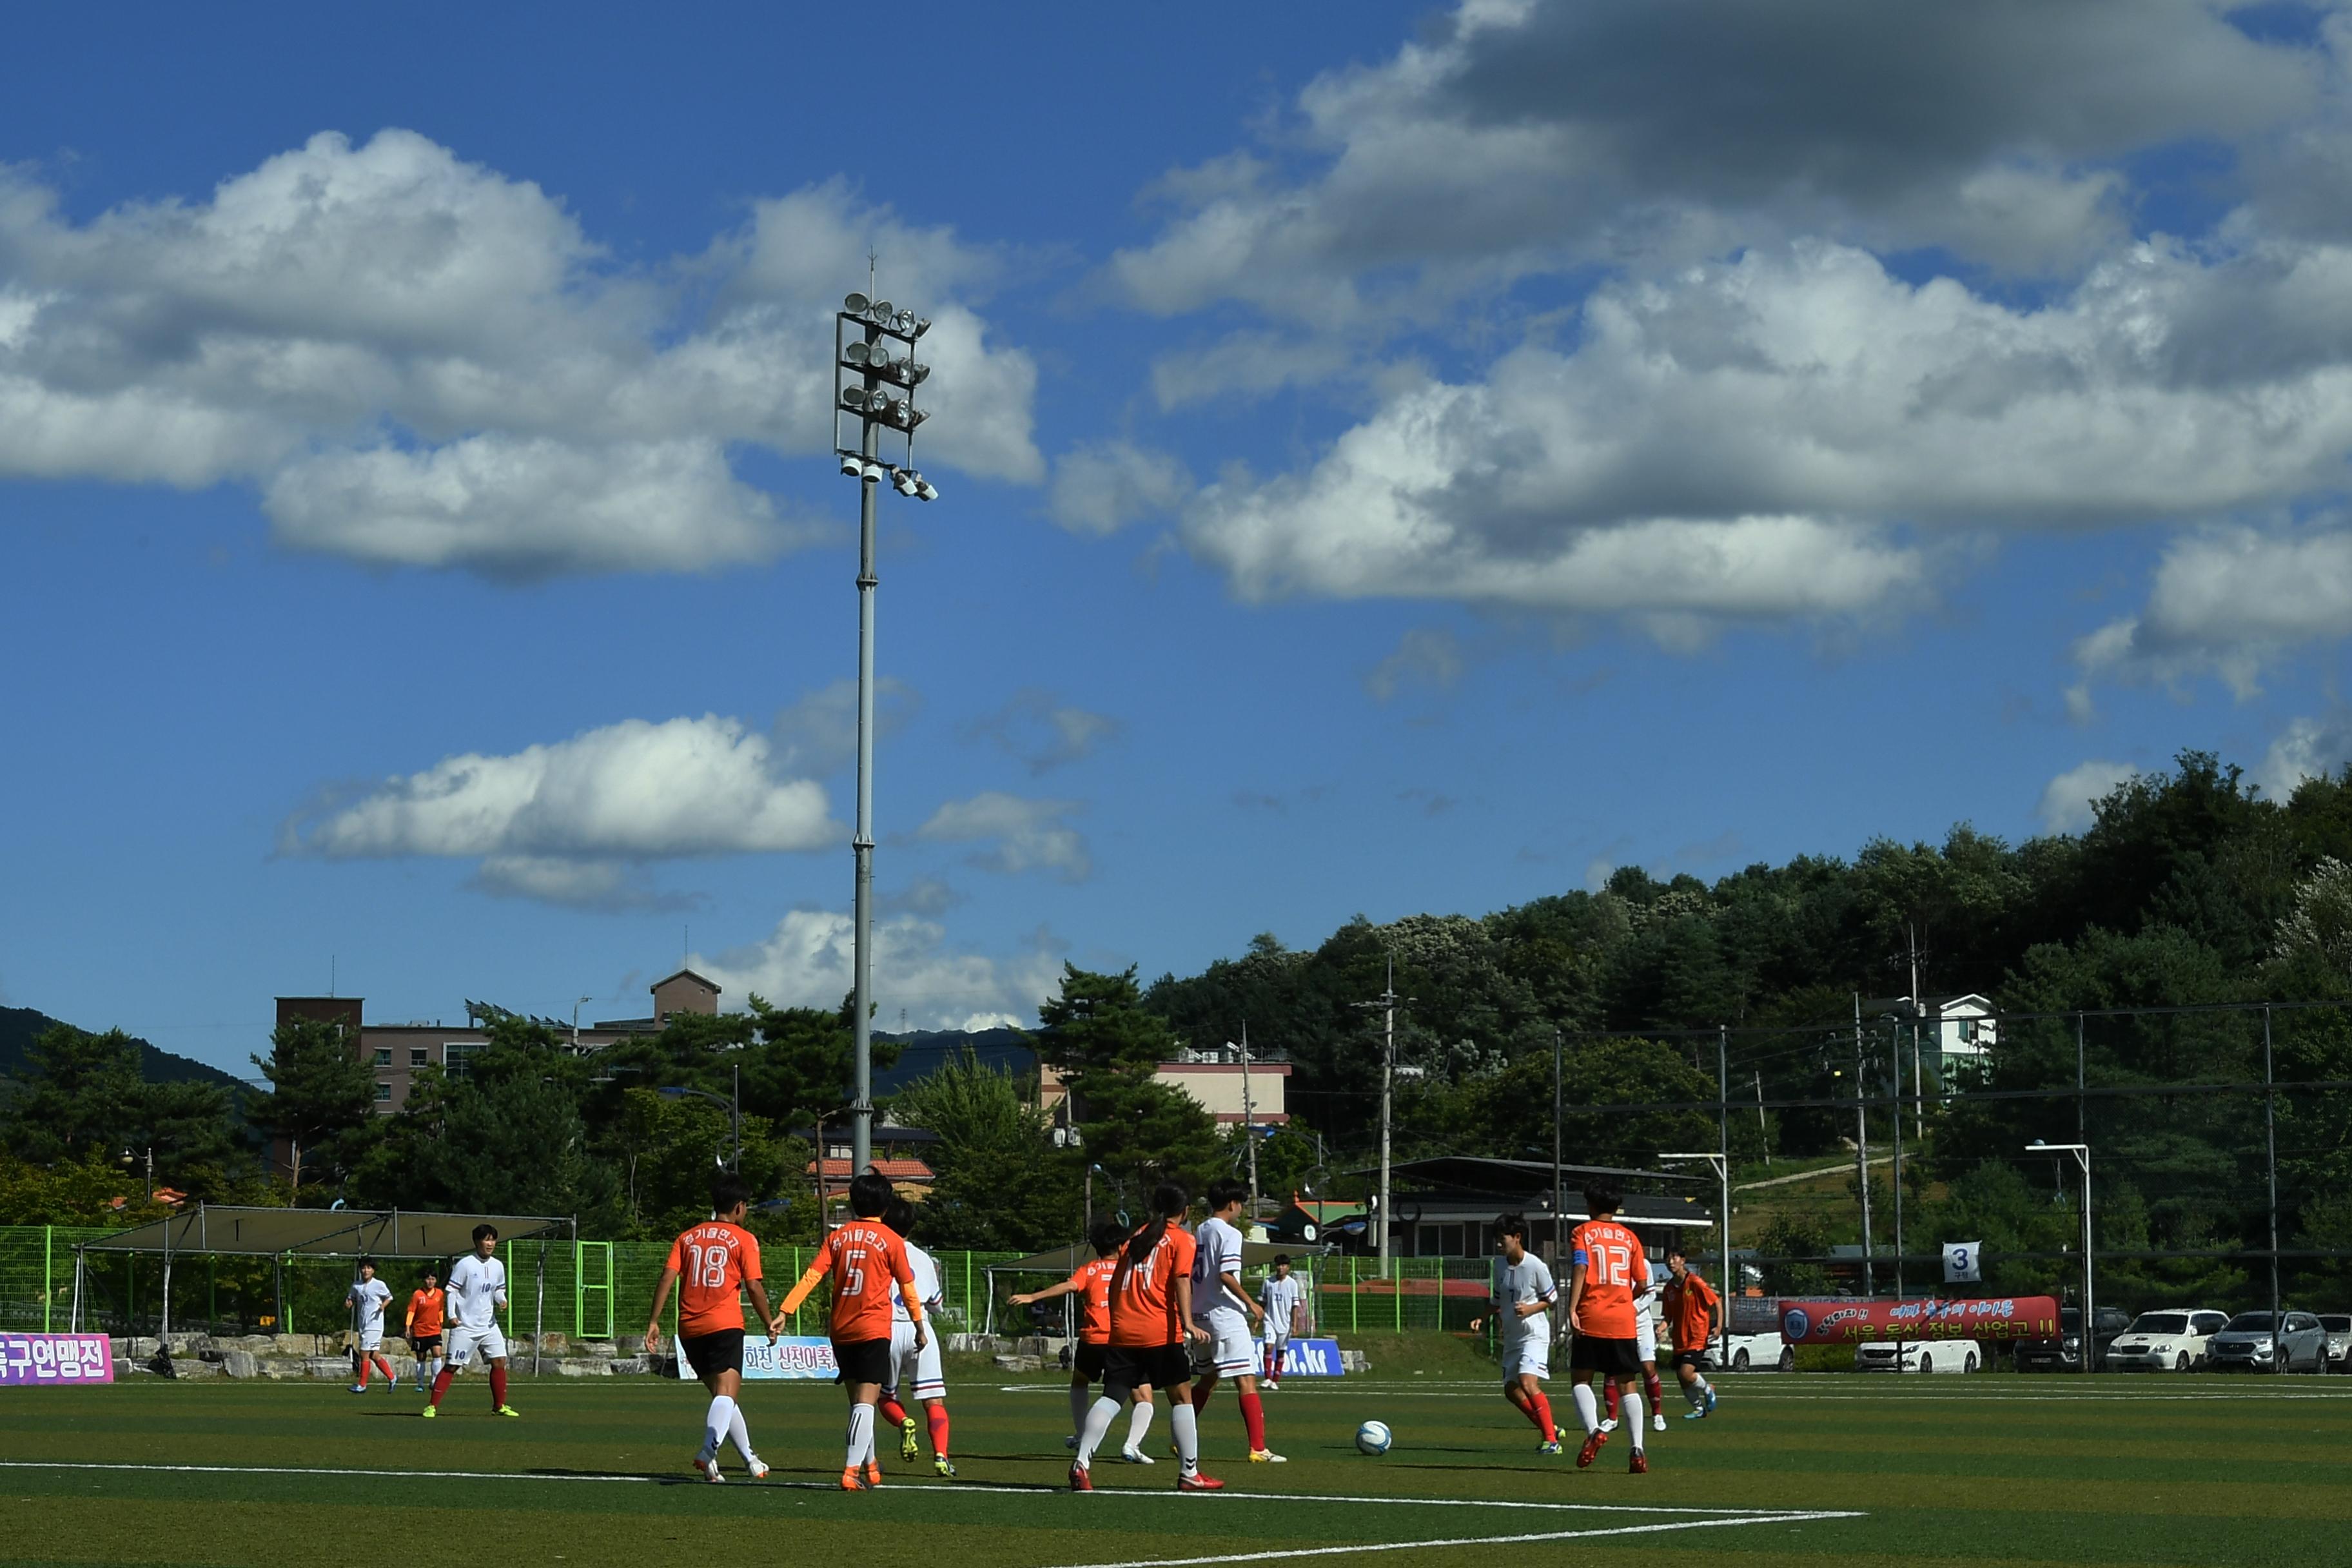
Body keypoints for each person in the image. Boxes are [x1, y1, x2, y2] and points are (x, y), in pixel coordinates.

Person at [774, 1171, 925, 1491]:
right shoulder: (892, 1241)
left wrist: (785, 1310)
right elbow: (908, 1289)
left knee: (860, 1402)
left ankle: (870, 1466)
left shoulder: (837, 1237)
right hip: (873, 1329)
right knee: (866, 1403)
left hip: (841, 1331)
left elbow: (811, 1277)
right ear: (885, 1207)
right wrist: (919, 1325)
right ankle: (850, 1470)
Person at [1070, 1182, 1220, 1493]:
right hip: (1159, 1332)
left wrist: (1118, 1318)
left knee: (1112, 1396)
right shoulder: (1181, 1239)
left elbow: (1114, 1285)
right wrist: (1188, 1323)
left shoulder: (1136, 1237)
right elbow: (1181, 1281)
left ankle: (1081, 1463)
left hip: (1123, 1331)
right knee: (1182, 1398)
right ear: (1186, 1210)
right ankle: (1189, 1473)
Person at [643, 1171, 780, 1483]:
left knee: (723, 1398)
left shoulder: (687, 1237)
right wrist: (768, 1321)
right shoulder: (744, 1239)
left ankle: (750, 1460)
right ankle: (708, 1451)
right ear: (740, 1207)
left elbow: (667, 1277)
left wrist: (654, 1321)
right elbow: (755, 1286)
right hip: (724, 1324)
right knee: (726, 1394)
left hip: (690, 1329)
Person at [1011, 1219, 1159, 1464]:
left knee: (1080, 1381)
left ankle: (1081, 1434)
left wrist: (1032, 1296)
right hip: (1123, 1341)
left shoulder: (1090, 1270)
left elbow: (1069, 1286)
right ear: (1122, 1246)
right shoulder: (1131, 1269)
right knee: (1143, 1395)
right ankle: (1132, 1445)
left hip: (1092, 1340)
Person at [1188, 1180, 1282, 1463]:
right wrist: (1250, 1303)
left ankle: (1181, 1438)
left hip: (1199, 1314)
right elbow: (1226, 1275)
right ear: (1233, 1204)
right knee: (1246, 1380)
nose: (1240, 1209)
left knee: (1208, 1378)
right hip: (1223, 1315)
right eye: (1240, 1204)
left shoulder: (1200, 1230)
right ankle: (1258, 1448)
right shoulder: (1229, 1233)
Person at [1564, 1185, 1651, 1474]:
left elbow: (1580, 1267)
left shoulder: (1583, 1232)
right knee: (1628, 1385)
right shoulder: (1630, 1237)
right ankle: (1637, 1449)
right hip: (1623, 1320)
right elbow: (1641, 1283)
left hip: (1592, 1315)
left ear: (1590, 1205)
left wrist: (1573, 1307)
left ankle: (1593, 1432)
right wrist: (1624, 1300)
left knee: (1581, 1379)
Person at [1466, 1215, 1562, 1455]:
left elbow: (1551, 1299)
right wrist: (1483, 1317)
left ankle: (1552, 1441)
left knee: (1528, 1382)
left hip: (1534, 1335)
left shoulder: (1536, 1266)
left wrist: (1530, 1309)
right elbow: (1497, 1299)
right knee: (1511, 1390)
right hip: (1512, 1338)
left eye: (1502, 1239)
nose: (1499, 1245)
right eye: (1497, 1240)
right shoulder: (1499, 1265)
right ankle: (1550, 1427)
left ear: (1517, 1237)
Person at [877, 1197, 956, 1478]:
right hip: (920, 1327)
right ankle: (941, 1456)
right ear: (912, 1226)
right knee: (934, 1400)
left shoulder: (877, 1250)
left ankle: (904, 1422)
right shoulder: (924, 1259)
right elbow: (936, 1303)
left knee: (884, 1395)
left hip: (885, 1327)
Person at [426, 1224, 518, 1419]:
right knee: (452, 1366)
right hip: (465, 1326)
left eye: (493, 1239)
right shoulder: (465, 1264)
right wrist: (452, 1315)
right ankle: (432, 1406)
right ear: (477, 1242)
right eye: (486, 1239)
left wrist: (502, 1300)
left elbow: (498, 1290)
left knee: (500, 1361)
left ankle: (499, 1406)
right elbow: (452, 1291)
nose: (490, 1243)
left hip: (489, 1325)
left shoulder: (498, 1266)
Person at [1661, 1248, 1721, 1420]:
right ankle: (1699, 1409)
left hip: (1697, 1336)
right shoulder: (1668, 1289)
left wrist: (1718, 1326)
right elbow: (1668, 1316)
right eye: (1668, 1259)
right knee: (1682, 1379)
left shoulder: (1694, 1282)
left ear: (1683, 1260)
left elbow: (1716, 1301)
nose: (1670, 1262)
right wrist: (1662, 1326)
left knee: (1686, 1373)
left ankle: (1708, 1388)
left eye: (1674, 1258)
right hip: (1680, 1339)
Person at [343, 1258, 396, 1395]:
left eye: (369, 1268)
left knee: (364, 1353)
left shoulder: (379, 1284)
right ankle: (392, 1377)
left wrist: (383, 1306)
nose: (366, 1271)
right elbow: (352, 1298)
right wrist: (349, 1303)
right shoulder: (356, 1285)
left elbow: (389, 1297)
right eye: (363, 1268)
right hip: (363, 1324)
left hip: (374, 1324)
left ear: (373, 1270)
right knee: (374, 1355)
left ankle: (362, 1384)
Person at [1257, 1255, 1302, 1393]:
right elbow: (1262, 1303)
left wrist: (1294, 1325)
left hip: (1285, 1323)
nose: (1280, 1268)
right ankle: (1267, 1378)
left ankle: (1275, 1380)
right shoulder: (1268, 1282)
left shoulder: (1292, 1284)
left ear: (1288, 1267)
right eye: (1278, 1265)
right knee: (1268, 1347)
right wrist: (1257, 1320)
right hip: (1270, 1320)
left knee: (1281, 1352)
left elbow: (1295, 1306)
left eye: (1283, 1265)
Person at [405, 1265, 446, 1395]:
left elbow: (440, 1310)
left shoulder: (439, 1293)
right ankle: (420, 1383)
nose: (430, 1281)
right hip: (420, 1331)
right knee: (421, 1357)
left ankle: (434, 1381)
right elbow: (411, 1311)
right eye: (428, 1279)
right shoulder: (418, 1294)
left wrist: (441, 1323)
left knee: (437, 1353)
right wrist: (408, 1327)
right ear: (424, 1280)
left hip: (434, 1330)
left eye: (433, 1279)